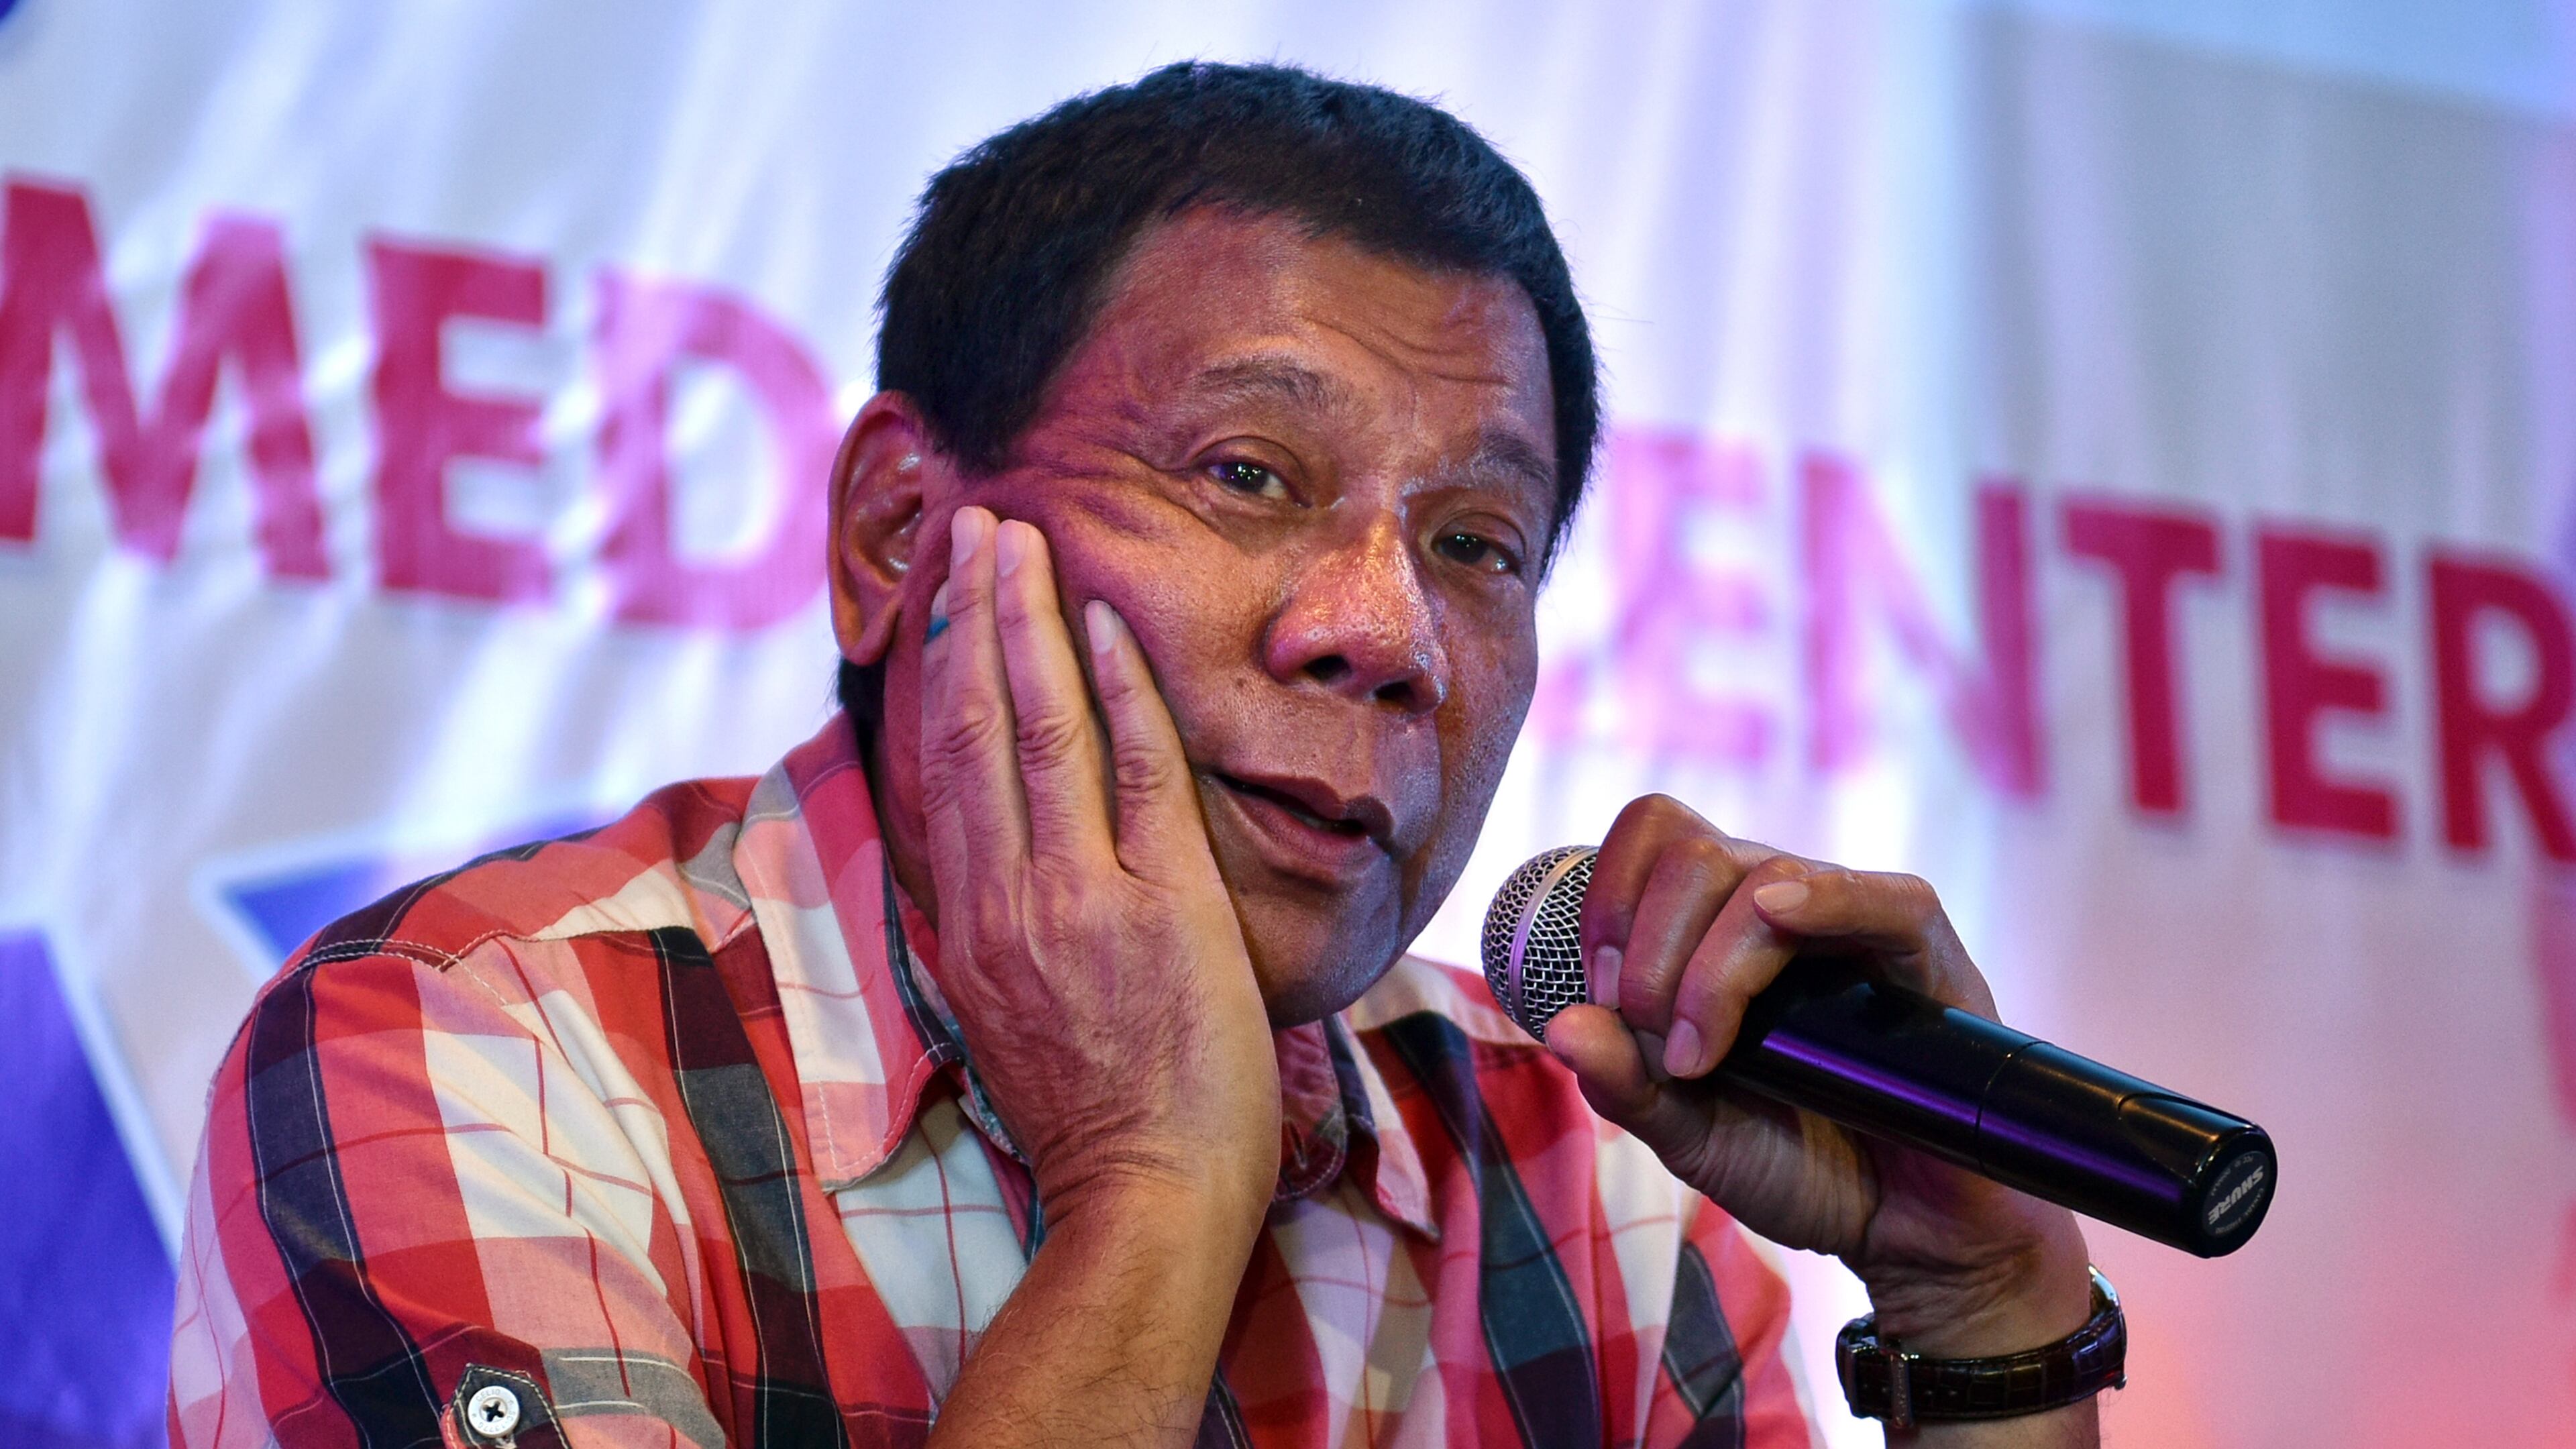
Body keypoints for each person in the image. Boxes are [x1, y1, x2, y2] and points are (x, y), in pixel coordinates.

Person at [168, 62, 2108, 1448]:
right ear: (894, 537)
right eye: (1248, 476)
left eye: (1478, 544)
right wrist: (1158, 1188)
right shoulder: (466, 1059)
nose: (1387, 630)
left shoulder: (1586, 1176)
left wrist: (1985, 1310)